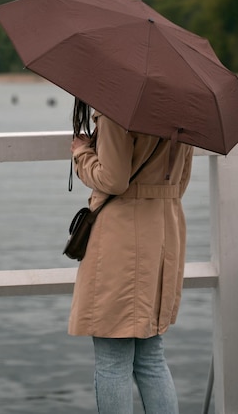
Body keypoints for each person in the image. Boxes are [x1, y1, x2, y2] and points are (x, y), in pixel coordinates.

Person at [68, 98, 194, 414]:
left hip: (122, 236)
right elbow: (182, 181)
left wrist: (82, 153)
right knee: (151, 356)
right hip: (165, 228)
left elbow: (113, 179)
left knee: (112, 358)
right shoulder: (183, 110)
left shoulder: (117, 107)